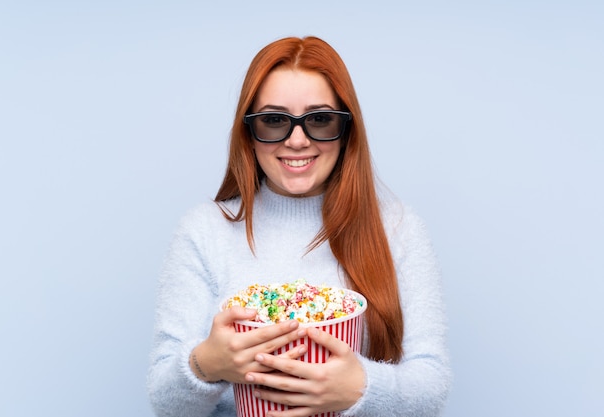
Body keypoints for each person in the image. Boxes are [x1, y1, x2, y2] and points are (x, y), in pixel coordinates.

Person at [147, 36, 451, 417]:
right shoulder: (205, 230)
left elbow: (431, 386)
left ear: (346, 130)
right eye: (274, 121)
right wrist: (207, 364)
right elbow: (164, 402)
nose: (297, 140)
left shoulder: (397, 230)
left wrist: (359, 388)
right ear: (248, 132)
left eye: (320, 120)